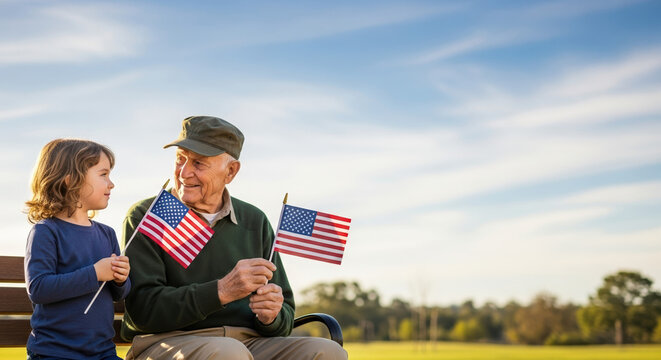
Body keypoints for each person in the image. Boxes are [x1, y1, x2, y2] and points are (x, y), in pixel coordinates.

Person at [121, 116, 347, 360]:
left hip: (249, 343)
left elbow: (285, 315)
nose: (185, 172)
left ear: (231, 171)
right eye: (180, 159)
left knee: (328, 351)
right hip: (169, 341)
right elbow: (142, 311)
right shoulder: (150, 215)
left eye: (198, 163)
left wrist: (271, 316)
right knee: (229, 353)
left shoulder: (254, 220)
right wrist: (221, 291)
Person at [24, 139, 131, 360]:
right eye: (103, 174)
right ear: (70, 180)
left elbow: (119, 293)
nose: (111, 184)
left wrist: (121, 279)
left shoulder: (107, 234)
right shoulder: (46, 231)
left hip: (102, 352)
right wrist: (95, 273)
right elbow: (39, 288)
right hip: (54, 353)